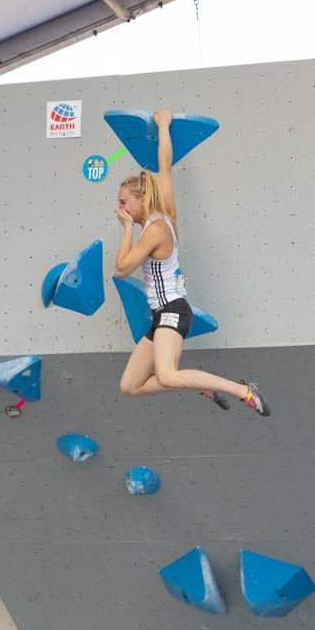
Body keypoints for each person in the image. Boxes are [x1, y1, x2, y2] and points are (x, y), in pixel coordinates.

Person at [114, 108, 270, 416]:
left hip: (173, 311)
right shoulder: (166, 214)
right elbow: (165, 167)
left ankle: (243, 391)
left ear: (140, 200)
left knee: (167, 375)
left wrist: (127, 230)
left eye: (123, 202)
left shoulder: (154, 230)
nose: (119, 208)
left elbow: (121, 269)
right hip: (162, 315)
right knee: (130, 386)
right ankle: (198, 383)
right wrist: (163, 126)